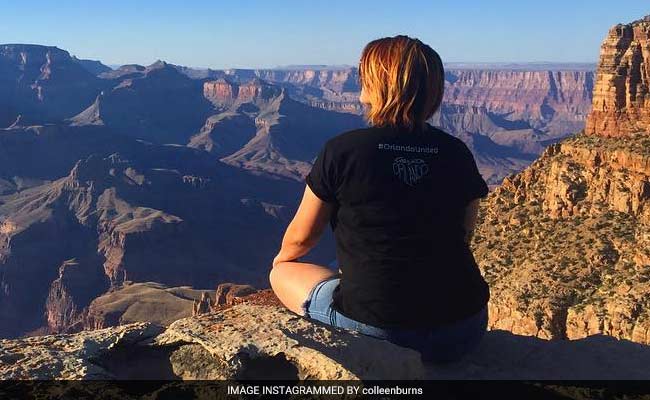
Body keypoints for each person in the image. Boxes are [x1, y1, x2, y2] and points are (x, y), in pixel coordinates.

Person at [269, 35, 490, 363]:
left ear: (377, 83)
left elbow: (302, 238)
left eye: (363, 74)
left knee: (283, 272)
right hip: (464, 327)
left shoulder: (343, 150)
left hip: (384, 332)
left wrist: (281, 261)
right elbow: (464, 234)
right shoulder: (457, 152)